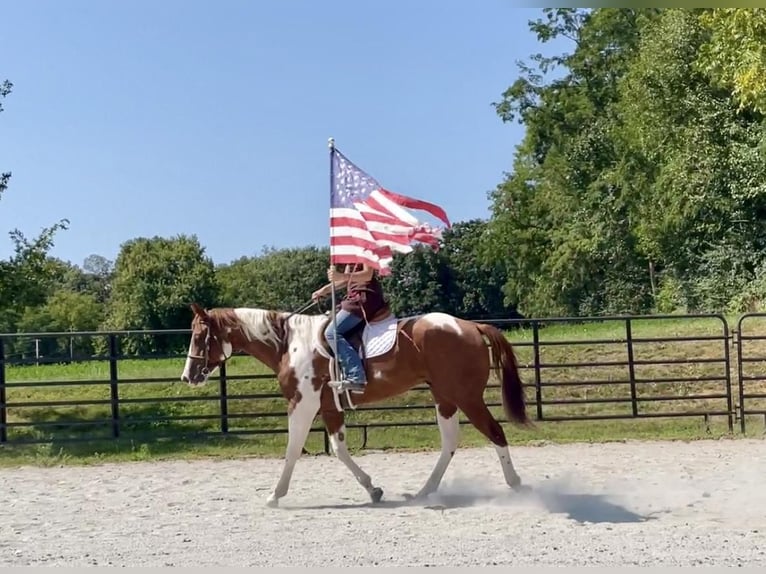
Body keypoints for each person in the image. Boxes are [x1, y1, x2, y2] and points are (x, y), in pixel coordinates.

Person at [312, 262, 389, 393]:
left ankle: (356, 376)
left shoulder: (363, 249)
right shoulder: (351, 258)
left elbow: (367, 275)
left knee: (332, 333)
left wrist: (340, 275)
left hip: (364, 298)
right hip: (353, 298)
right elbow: (344, 280)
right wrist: (323, 290)